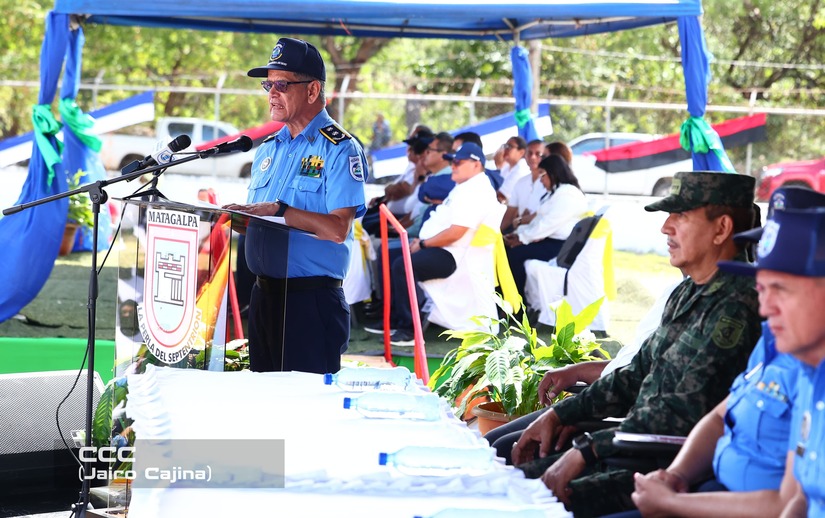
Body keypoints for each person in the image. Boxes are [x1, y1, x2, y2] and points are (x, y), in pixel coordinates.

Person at [509, 171, 762, 516]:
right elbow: (636, 373)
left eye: (681, 216)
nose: (666, 227)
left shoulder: (737, 306)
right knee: (505, 479)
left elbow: (681, 414)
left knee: (515, 499)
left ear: (721, 229)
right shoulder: (688, 292)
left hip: (662, 472)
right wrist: (561, 413)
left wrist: (588, 448)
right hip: (628, 451)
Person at [612, 187, 825, 518]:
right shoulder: (807, 371)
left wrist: (672, 502)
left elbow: (786, 501)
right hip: (706, 487)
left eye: (781, 289)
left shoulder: (805, 367)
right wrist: (676, 476)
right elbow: (797, 499)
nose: (765, 308)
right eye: (763, 289)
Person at [223, 37, 367, 374]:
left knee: (305, 404)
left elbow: (337, 230)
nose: (272, 94)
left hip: (310, 303)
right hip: (263, 297)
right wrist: (231, 218)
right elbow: (264, 221)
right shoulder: (268, 148)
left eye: (282, 85)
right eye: (268, 85)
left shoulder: (339, 149)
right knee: (265, 400)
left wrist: (282, 210)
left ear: (313, 90)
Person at [385, 143, 499, 346]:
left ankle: (409, 330)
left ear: (476, 164)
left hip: (453, 255)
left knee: (404, 266)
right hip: (443, 248)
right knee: (394, 258)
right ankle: (396, 319)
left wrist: (424, 244)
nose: (452, 166)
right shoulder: (466, 186)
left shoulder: (477, 190)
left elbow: (456, 232)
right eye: (452, 161)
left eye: (458, 162)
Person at [504, 154, 588, 298]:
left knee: (514, 255)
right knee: (506, 250)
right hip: (551, 241)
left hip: (560, 247)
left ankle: (517, 303)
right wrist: (519, 235)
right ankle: (508, 298)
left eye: (542, 175)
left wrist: (522, 238)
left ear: (553, 173)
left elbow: (548, 224)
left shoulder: (568, 194)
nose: (541, 181)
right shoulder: (559, 192)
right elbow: (539, 220)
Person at [501, 139, 545, 232]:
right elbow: (509, 216)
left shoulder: (549, 183)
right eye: (530, 153)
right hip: (520, 232)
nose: (533, 157)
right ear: (525, 155)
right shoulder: (521, 182)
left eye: (538, 154)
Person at [498, 136, 530, 201]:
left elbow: (501, 194)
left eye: (509, 147)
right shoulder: (507, 167)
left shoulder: (521, 168)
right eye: (505, 146)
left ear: (521, 152)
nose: (505, 149)